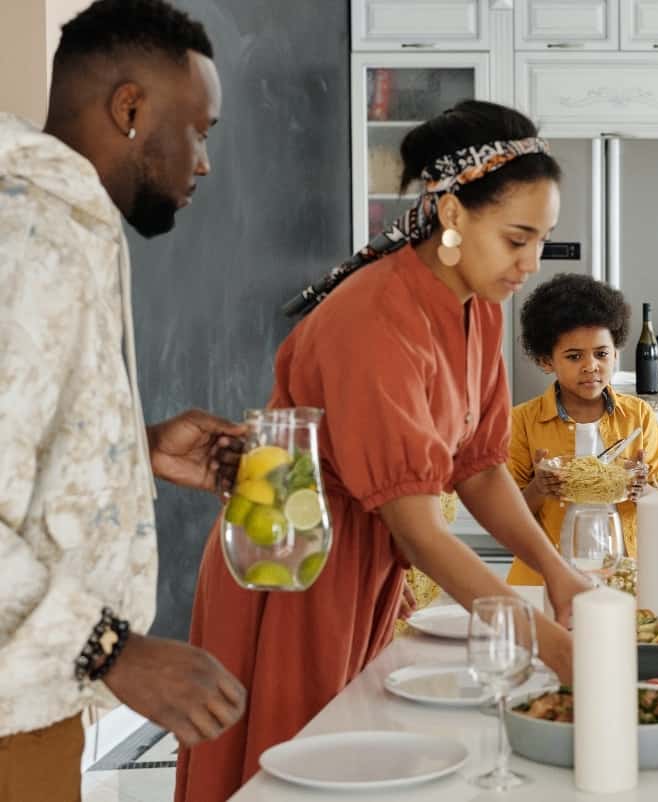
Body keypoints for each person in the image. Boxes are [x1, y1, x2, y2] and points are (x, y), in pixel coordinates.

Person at [176, 101, 592, 801]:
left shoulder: (475, 307)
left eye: (542, 240)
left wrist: (556, 571)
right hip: (294, 561)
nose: (531, 263)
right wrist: (551, 648)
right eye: (517, 237)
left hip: (359, 561)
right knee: (290, 768)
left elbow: (479, 467)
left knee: (349, 759)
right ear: (454, 215)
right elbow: (419, 529)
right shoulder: (375, 316)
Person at [0, 2, 248, 800]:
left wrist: (125, 454)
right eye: (201, 129)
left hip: (34, 707)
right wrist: (112, 648)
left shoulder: (64, 226)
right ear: (131, 108)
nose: (204, 163)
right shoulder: (27, 242)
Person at [506, 273, 658, 584]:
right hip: (544, 578)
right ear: (546, 361)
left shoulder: (638, 416)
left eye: (601, 353)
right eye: (573, 356)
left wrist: (643, 490)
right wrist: (538, 488)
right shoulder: (522, 422)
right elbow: (506, 517)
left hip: (622, 576)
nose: (591, 366)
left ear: (616, 354)